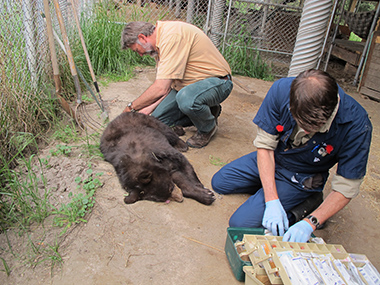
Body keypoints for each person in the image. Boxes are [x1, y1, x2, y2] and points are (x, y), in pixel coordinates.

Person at [211, 69, 372, 242]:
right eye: (301, 124)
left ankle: (308, 201)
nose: (306, 131)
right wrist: (272, 200)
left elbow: (346, 188)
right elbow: (265, 147)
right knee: (220, 182)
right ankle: (276, 193)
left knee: (240, 222)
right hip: (276, 155)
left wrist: (311, 222)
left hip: (302, 175)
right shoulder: (281, 90)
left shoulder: (357, 126)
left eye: (314, 128)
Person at [120, 21, 233, 148]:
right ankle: (209, 111)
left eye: (137, 50)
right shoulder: (159, 45)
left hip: (218, 82)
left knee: (187, 99)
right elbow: (167, 86)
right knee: (157, 120)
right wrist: (147, 110)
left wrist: (131, 108)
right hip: (188, 87)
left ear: (142, 37)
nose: (140, 54)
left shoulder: (172, 36)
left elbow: (160, 88)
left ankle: (208, 128)